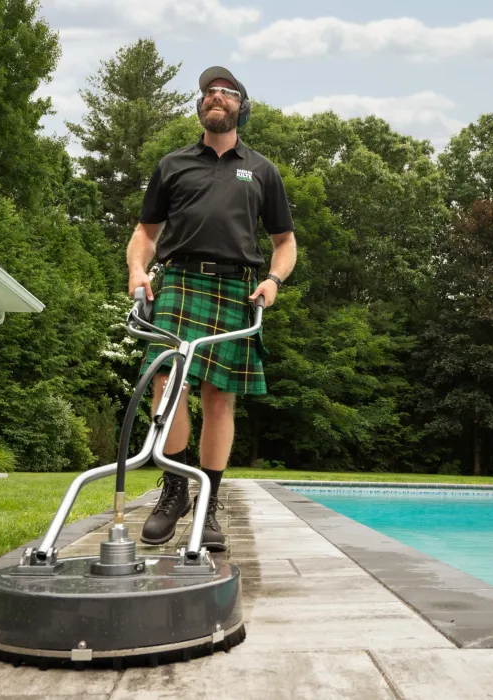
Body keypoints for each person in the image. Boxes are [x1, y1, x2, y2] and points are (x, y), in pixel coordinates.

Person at [126, 66, 297, 552]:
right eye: (208, 92)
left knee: (220, 396)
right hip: (178, 280)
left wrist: (273, 279)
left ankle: (209, 502)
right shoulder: (173, 164)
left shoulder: (262, 170)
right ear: (200, 106)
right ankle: (176, 492)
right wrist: (138, 270)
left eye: (226, 92)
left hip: (236, 287)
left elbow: (285, 242)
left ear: (242, 105)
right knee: (166, 382)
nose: (215, 97)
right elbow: (145, 233)